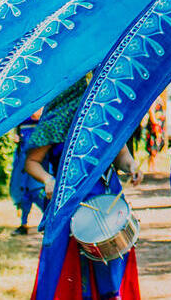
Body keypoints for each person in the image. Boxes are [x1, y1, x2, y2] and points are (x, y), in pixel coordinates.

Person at [24, 81, 144, 300]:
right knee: (72, 271)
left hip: (107, 201)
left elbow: (122, 156)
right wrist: (48, 180)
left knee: (112, 267)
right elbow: (32, 162)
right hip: (69, 204)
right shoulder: (56, 119)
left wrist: (132, 167)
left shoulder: (106, 116)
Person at [9, 109, 45, 235]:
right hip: (23, 152)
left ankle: (50, 221)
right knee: (23, 190)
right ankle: (23, 224)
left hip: (38, 150)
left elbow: (37, 115)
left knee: (38, 190)